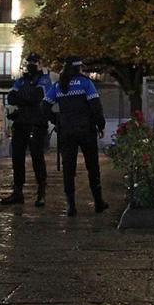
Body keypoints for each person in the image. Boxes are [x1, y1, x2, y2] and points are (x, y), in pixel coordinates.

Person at [45, 56, 108, 216]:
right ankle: (98, 202)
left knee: (68, 168)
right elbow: (96, 106)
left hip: (66, 131)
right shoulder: (86, 83)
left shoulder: (59, 85)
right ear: (79, 68)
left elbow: (44, 106)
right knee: (92, 166)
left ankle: (71, 206)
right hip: (86, 130)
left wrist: (57, 120)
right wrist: (100, 125)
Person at [1, 52, 53, 206]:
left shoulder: (45, 79)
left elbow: (38, 96)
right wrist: (28, 97)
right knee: (17, 158)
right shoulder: (21, 80)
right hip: (21, 123)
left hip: (36, 124)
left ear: (40, 64)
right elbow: (11, 98)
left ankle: (41, 193)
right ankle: (17, 192)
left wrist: (23, 97)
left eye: (34, 62)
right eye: (29, 61)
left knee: (37, 158)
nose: (31, 64)